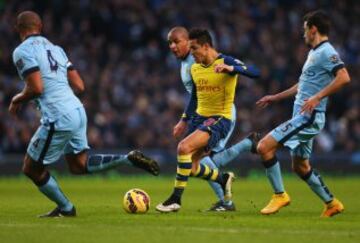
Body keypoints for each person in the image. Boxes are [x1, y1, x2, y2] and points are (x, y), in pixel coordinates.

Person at [9, 11, 159, 217]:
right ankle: (126, 159)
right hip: (77, 110)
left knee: (30, 168)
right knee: (79, 165)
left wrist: (16, 99)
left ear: (18, 29)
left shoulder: (21, 51)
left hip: (58, 115)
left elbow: (37, 88)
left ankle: (66, 208)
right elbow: (79, 85)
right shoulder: (56, 49)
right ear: (41, 26)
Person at [255, 10, 350, 217]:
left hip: (309, 117)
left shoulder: (327, 51)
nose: (303, 34)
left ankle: (280, 195)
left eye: (304, 29)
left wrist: (317, 97)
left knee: (264, 146)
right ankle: (332, 203)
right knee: (300, 166)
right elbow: (302, 85)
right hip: (302, 116)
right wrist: (275, 97)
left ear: (313, 29)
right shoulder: (314, 53)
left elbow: (343, 77)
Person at [156, 28, 260, 212]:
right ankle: (224, 178)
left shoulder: (224, 61)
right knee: (192, 166)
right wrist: (184, 120)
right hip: (200, 117)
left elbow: (255, 71)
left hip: (220, 116)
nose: (191, 52)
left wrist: (232, 68)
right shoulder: (195, 67)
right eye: (169, 43)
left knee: (184, 148)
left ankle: (176, 200)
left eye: (193, 48)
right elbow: (195, 97)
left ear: (205, 46)